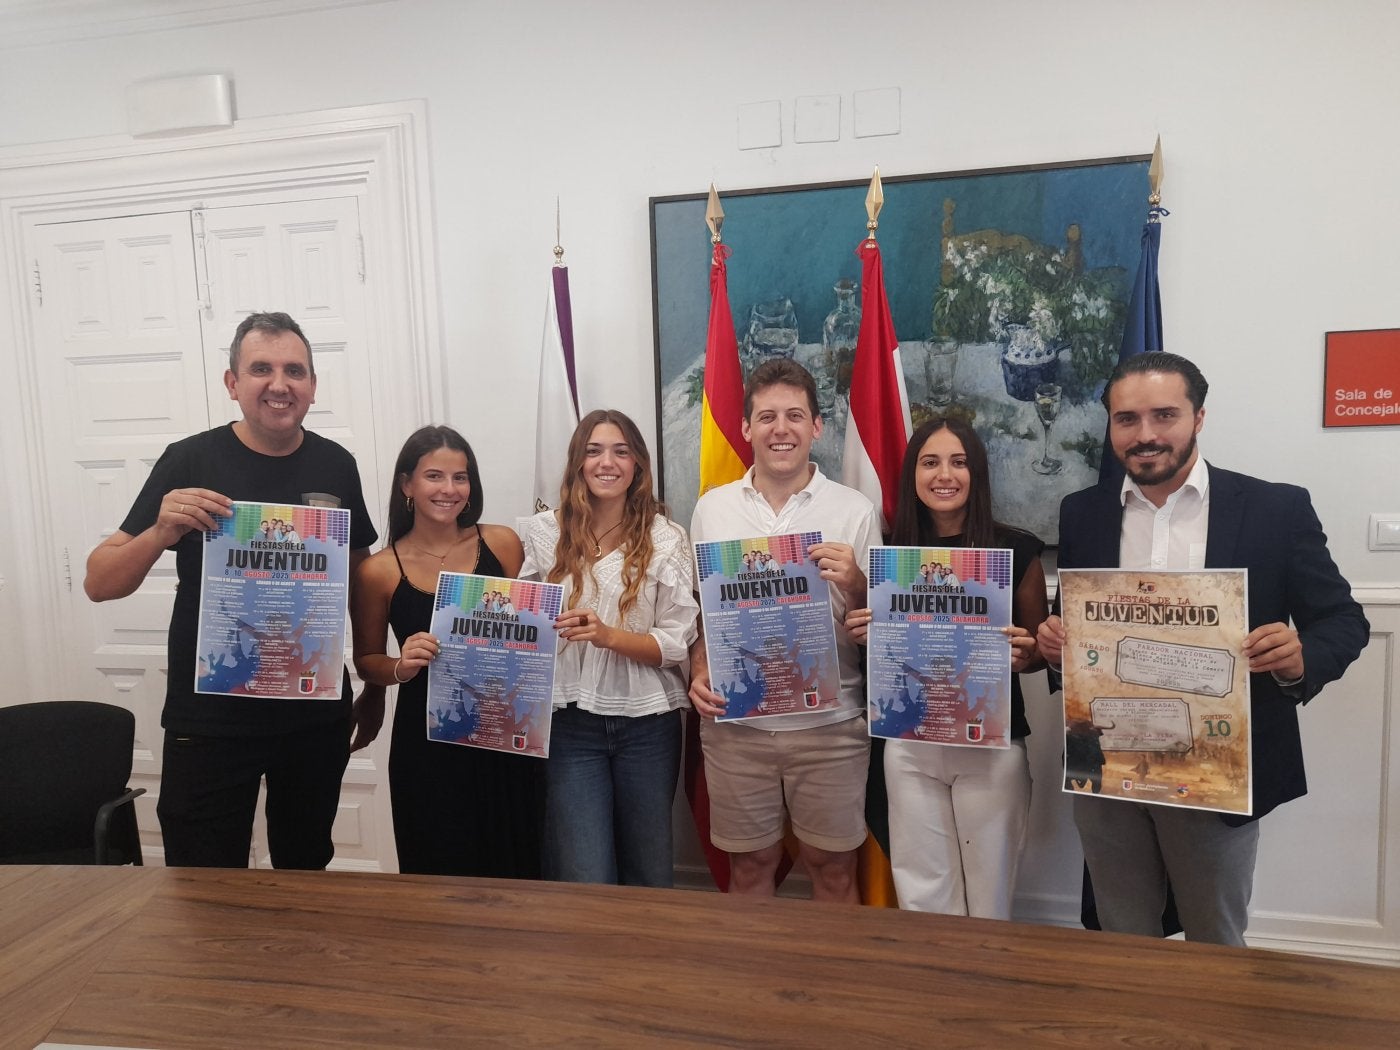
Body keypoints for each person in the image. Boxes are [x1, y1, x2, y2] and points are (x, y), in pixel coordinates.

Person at [1037, 351, 1369, 945]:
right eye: (1126, 419)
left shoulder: (1275, 508)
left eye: (1164, 415)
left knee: (1214, 940)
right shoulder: (1082, 511)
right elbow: (1078, 625)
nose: (1145, 435)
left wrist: (1301, 657)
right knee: (1122, 935)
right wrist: (1054, 639)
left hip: (1216, 770)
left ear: (1199, 417)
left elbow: (1343, 621)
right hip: (1105, 763)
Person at [84, 311, 377, 869]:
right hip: (211, 720)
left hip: (312, 716)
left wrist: (373, 683)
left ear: (312, 387)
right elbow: (99, 582)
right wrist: (161, 530)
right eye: (260, 368)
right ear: (232, 383)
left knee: (305, 866)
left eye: (295, 370)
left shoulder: (336, 465)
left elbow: (359, 580)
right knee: (202, 879)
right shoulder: (191, 459)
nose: (279, 384)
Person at [689, 359, 880, 903]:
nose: (781, 429)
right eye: (767, 416)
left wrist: (859, 582)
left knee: (835, 871)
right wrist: (699, 667)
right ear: (746, 428)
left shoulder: (855, 510)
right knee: (750, 868)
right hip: (737, 726)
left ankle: (836, 988)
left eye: (795, 415)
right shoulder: (712, 509)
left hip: (831, 726)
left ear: (817, 426)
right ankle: (752, 989)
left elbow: (887, 626)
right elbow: (703, 613)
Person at [844, 417, 1048, 919]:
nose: (944, 474)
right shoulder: (888, 555)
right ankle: (935, 994)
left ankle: (985, 995)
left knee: (989, 893)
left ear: (976, 473)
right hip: (910, 745)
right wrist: (867, 633)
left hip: (990, 746)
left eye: (959, 462)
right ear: (912, 473)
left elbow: (1041, 650)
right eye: (930, 462)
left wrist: (1028, 653)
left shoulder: (1016, 550)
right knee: (922, 892)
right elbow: (886, 657)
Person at [350, 425, 545, 878]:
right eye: (434, 476)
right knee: (438, 870)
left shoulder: (503, 543)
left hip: (505, 731)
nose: (449, 489)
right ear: (407, 485)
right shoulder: (379, 570)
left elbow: (530, 635)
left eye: (461, 478)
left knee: (519, 868)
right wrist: (400, 665)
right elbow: (367, 661)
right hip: (428, 744)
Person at [520, 409, 699, 887]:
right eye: (594, 450)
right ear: (578, 462)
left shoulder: (667, 537)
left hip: (648, 727)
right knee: (585, 873)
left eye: (621, 451)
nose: (607, 462)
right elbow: (524, 624)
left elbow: (675, 644)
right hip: (569, 725)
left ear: (638, 464)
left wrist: (606, 635)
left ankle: (647, 964)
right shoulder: (544, 532)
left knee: (650, 871)